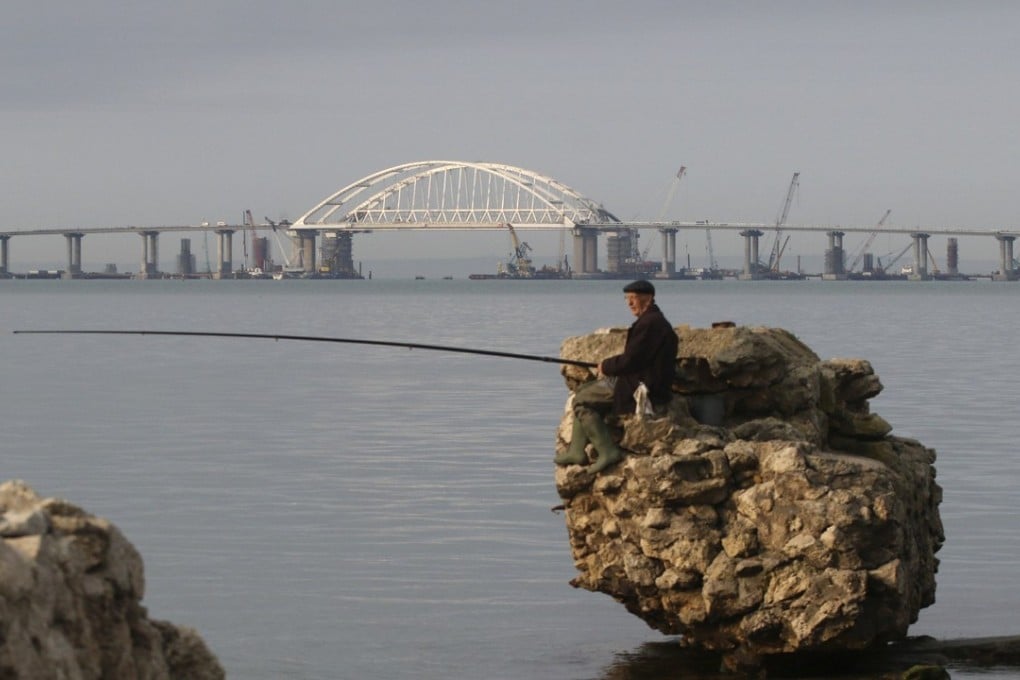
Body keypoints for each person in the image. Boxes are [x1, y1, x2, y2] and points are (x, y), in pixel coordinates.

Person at [555, 279, 679, 473]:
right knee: (583, 390)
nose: (629, 303)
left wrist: (606, 365)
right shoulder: (653, 321)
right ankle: (576, 450)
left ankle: (606, 451)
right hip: (638, 379)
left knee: (581, 401)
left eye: (633, 298)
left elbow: (632, 360)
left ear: (648, 298)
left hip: (640, 385)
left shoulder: (650, 324)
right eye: (627, 299)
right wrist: (609, 365)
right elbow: (636, 358)